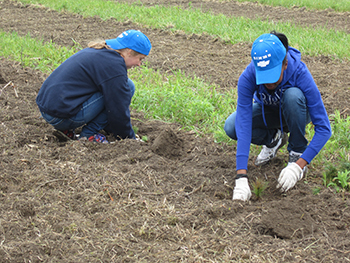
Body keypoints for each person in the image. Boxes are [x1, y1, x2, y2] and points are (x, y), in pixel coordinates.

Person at [224, 31, 332, 201]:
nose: (269, 84)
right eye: (264, 78)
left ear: (285, 64)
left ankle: (296, 151)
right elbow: (243, 124)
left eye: (274, 78)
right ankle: (274, 139)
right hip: (269, 112)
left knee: (293, 96)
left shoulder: (300, 73)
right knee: (231, 126)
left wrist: (299, 165)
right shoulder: (248, 76)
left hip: (297, 112)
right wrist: (241, 177)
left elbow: (324, 129)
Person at [36, 29, 152, 143]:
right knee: (127, 87)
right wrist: (128, 138)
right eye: (140, 59)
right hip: (62, 117)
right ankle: (89, 135)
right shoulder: (114, 66)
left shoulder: (100, 52)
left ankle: (68, 130)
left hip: (49, 110)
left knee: (121, 86)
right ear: (129, 52)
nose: (139, 64)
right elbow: (117, 108)